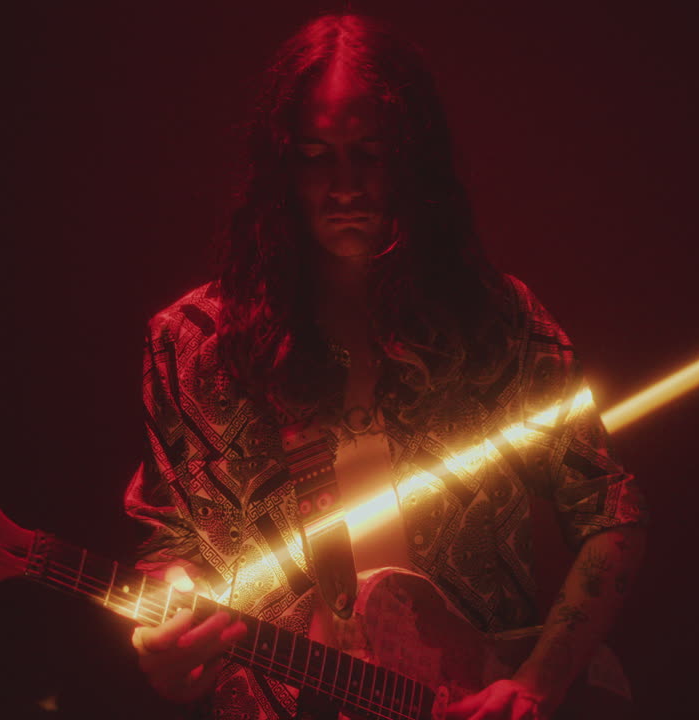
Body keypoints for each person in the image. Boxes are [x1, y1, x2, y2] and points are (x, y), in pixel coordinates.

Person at [125, 13, 646, 720]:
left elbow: (612, 512)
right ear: (281, 166)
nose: (346, 185)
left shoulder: (496, 322)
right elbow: (171, 545)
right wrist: (167, 641)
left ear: (413, 160)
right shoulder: (192, 344)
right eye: (316, 156)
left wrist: (535, 684)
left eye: (370, 153)